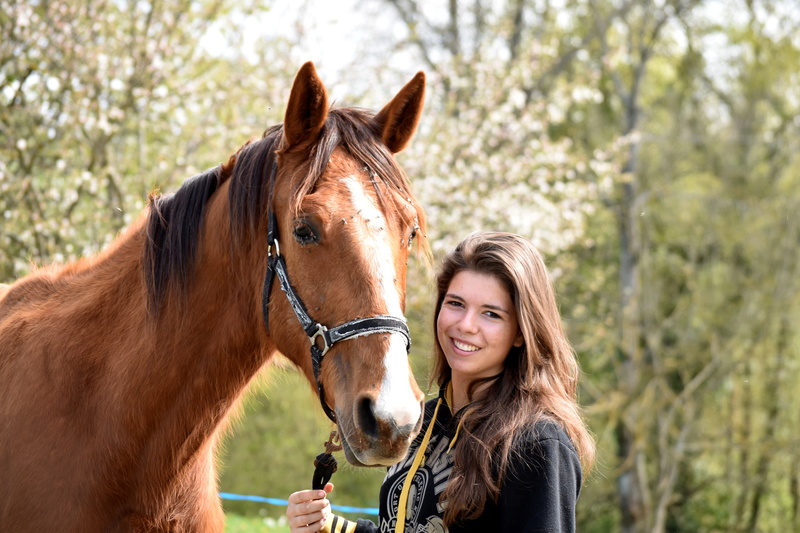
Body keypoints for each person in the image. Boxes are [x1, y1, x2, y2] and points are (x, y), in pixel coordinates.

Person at [286, 232, 595, 533]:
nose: (466, 325)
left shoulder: (536, 444)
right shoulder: (423, 423)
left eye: (491, 314)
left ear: (520, 333)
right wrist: (329, 526)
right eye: (456, 304)